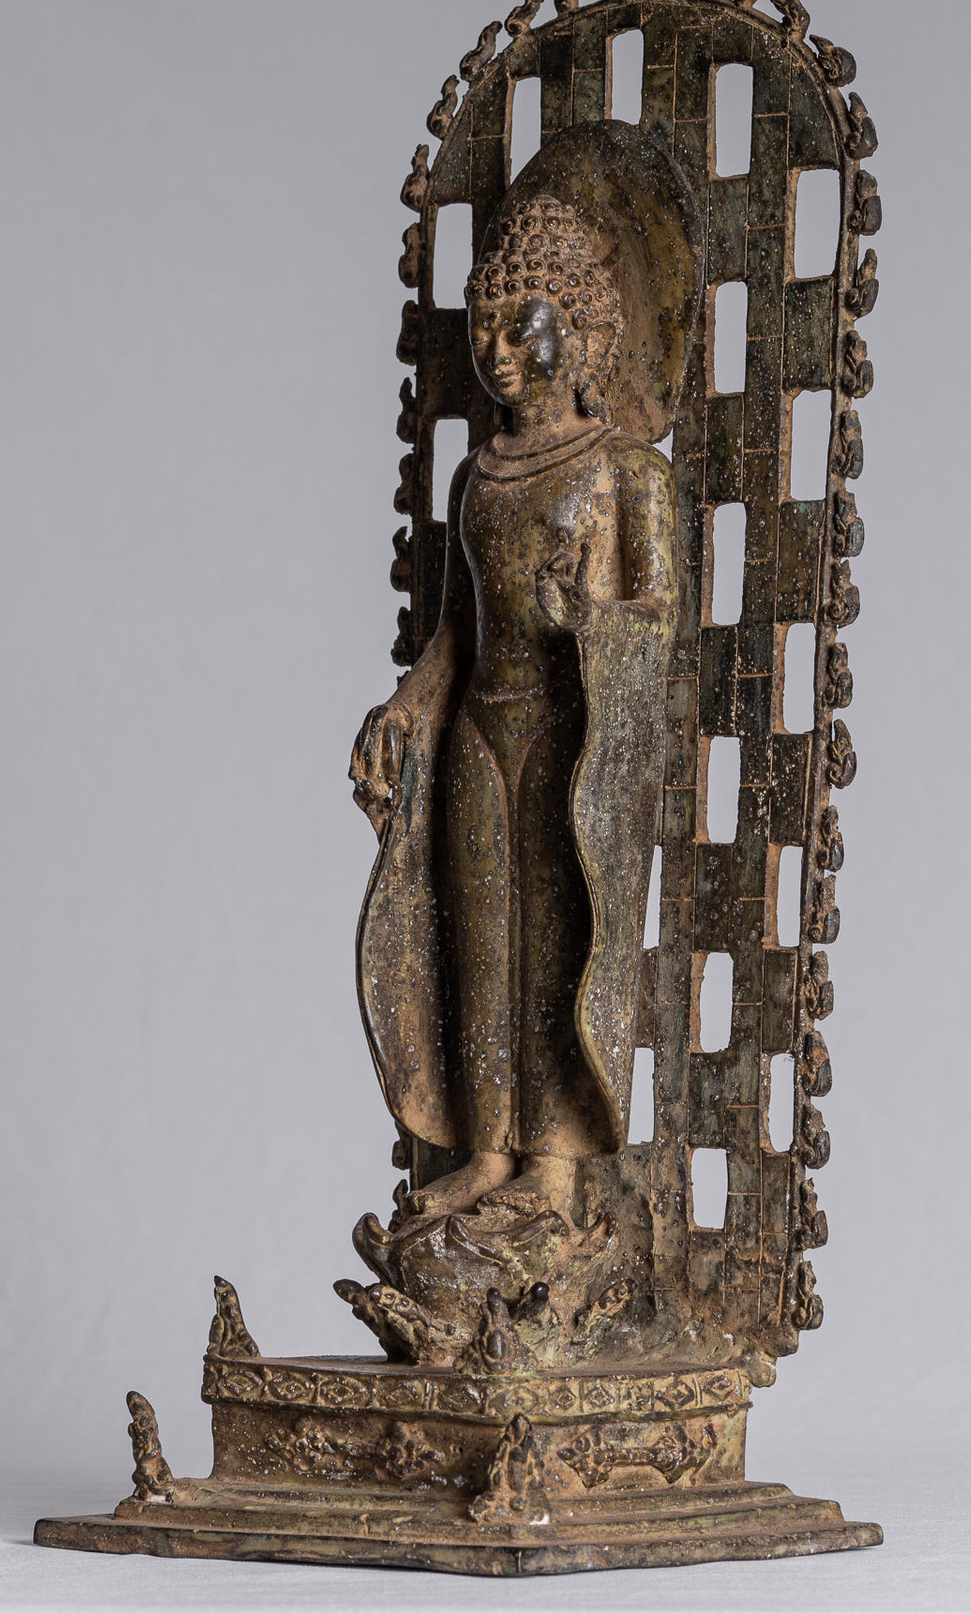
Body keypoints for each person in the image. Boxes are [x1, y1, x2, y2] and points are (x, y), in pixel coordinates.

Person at [351, 194, 677, 1220]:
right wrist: (404, 706)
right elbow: (458, 629)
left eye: (517, 326)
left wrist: (591, 614)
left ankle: (554, 1165)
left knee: (555, 945)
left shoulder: (627, 475)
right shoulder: (478, 478)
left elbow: (660, 620)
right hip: (479, 734)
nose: (494, 353)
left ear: (579, 330)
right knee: (479, 942)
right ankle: (488, 1152)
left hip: (572, 744)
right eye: (482, 329)